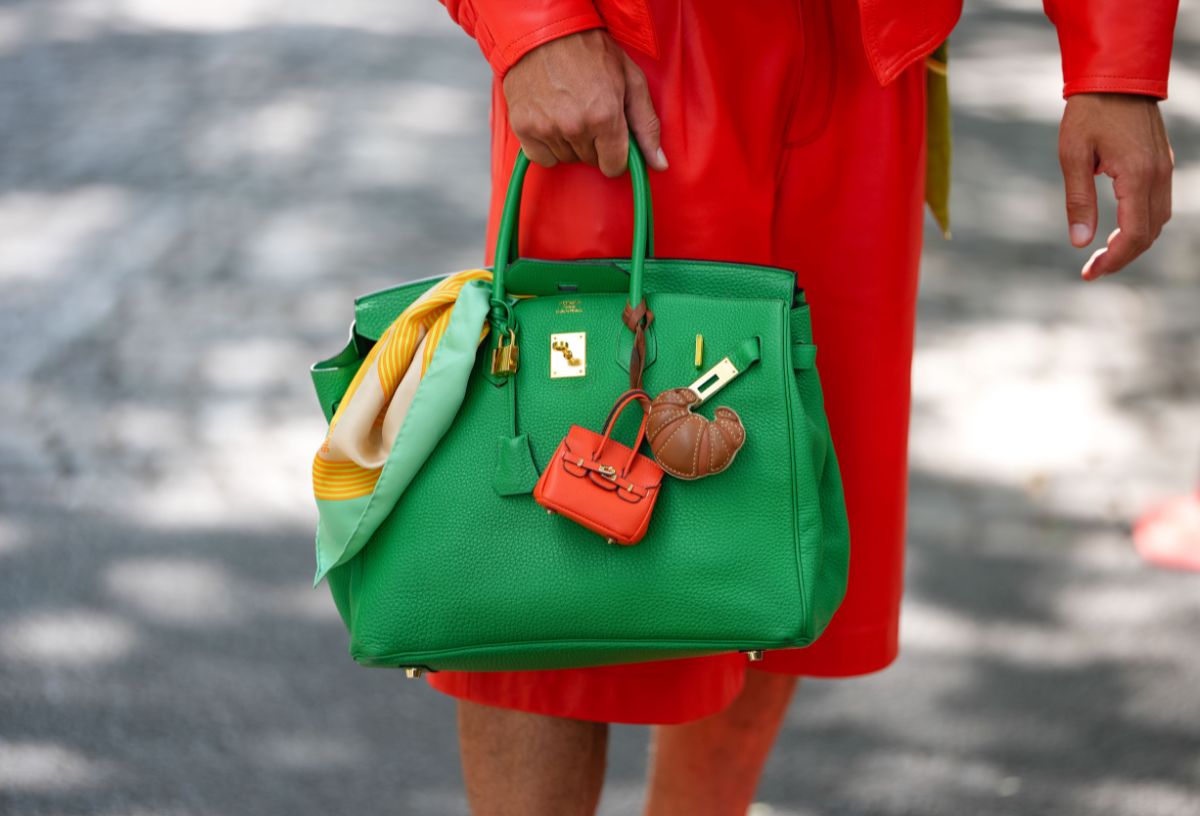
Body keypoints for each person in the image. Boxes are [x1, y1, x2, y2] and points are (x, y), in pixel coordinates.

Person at [425, 1, 1179, 813]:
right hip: (636, 40)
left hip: (862, 56)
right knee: (556, 541)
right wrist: (535, 25)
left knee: (778, 511)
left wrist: (1114, 62)